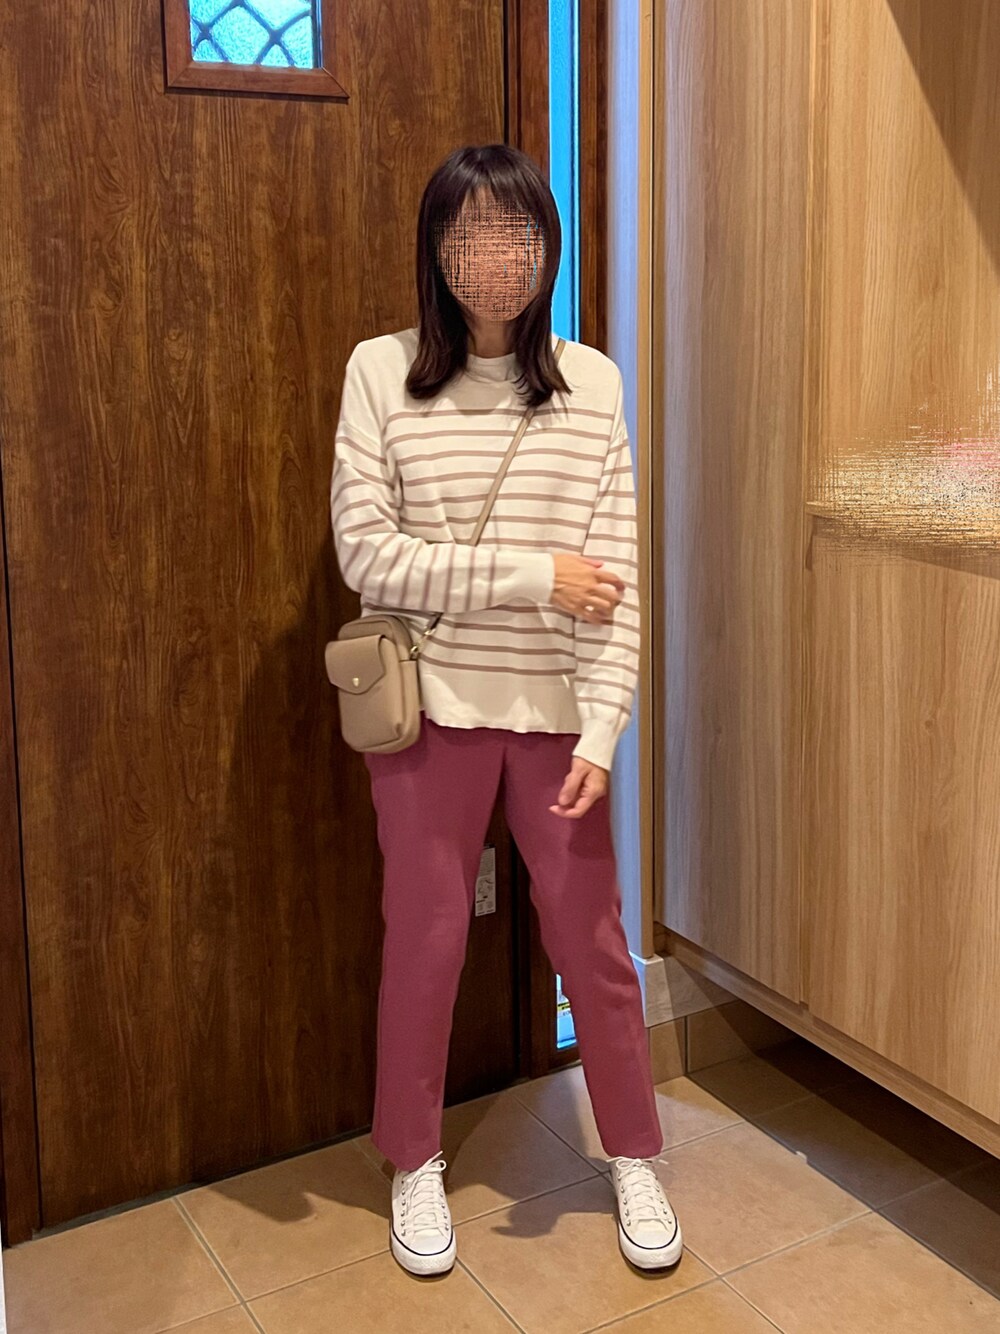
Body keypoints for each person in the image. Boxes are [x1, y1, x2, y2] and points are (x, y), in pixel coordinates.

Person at [329, 144, 682, 1277]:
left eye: (518, 232)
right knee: (425, 939)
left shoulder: (592, 384)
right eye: (469, 232)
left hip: (557, 717)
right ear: (435, 248)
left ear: (548, 248)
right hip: (428, 707)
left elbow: (616, 576)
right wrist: (536, 575)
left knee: (594, 943)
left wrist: (604, 728)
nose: (495, 256)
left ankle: (633, 1151)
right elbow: (366, 556)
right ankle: (413, 1156)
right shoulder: (382, 371)